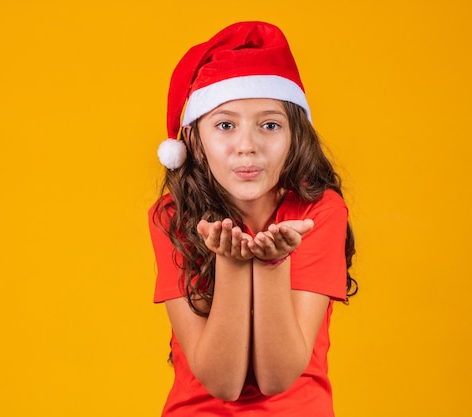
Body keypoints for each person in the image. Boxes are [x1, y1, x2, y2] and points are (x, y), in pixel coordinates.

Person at [148, 21, 357, 417]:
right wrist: (231, 263)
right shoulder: (173, 216)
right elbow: (222, 382)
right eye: (225, 125)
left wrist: (272, 263)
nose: (248, 146)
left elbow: (278, 377)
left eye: (270, 125)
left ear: (296, 135)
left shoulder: (319, 211)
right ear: (193, 140)